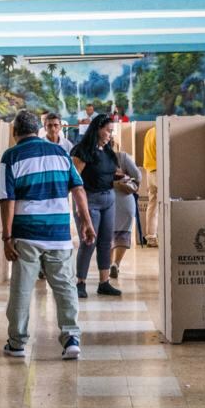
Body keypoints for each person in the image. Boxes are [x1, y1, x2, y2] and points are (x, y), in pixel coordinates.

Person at [0, 109, 91, 360]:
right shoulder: (61, 152)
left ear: (15, 131)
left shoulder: (11, 156)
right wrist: (87, 223)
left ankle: (17, 343)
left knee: (22, 289)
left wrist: (6, 238)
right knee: (65, 287)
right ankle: (71, 338)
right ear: (36, 129)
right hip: (59, 234)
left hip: (26, 235)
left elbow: (7, 199)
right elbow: (78, 189)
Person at [70, 114, 122, 298]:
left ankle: (104, 282)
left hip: (109, 199)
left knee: (106, 242)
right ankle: (80, 283)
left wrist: (122, 177)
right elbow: (74, 180)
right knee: (88, 242)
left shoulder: (108, 150)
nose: (110, 134)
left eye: (111, 131)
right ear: (97, 129)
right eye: (108, 130)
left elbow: (111, 171)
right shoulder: (82, 150)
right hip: (89, 200)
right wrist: (79, 207)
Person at [109, 148, 142, 281]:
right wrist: (126, 178)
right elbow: (138, 176)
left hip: (106, 199)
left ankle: (108, 264)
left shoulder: (95, 158)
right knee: (123, 233)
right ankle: (116, 264)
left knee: (107, 235)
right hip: (125, 198)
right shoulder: (122, 157)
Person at [140, 121, 159, 248]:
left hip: (150, 171)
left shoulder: (150, 131)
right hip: (160, 172)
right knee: (165, 205)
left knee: (152, 205)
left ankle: (151, 237)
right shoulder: (162, 132)